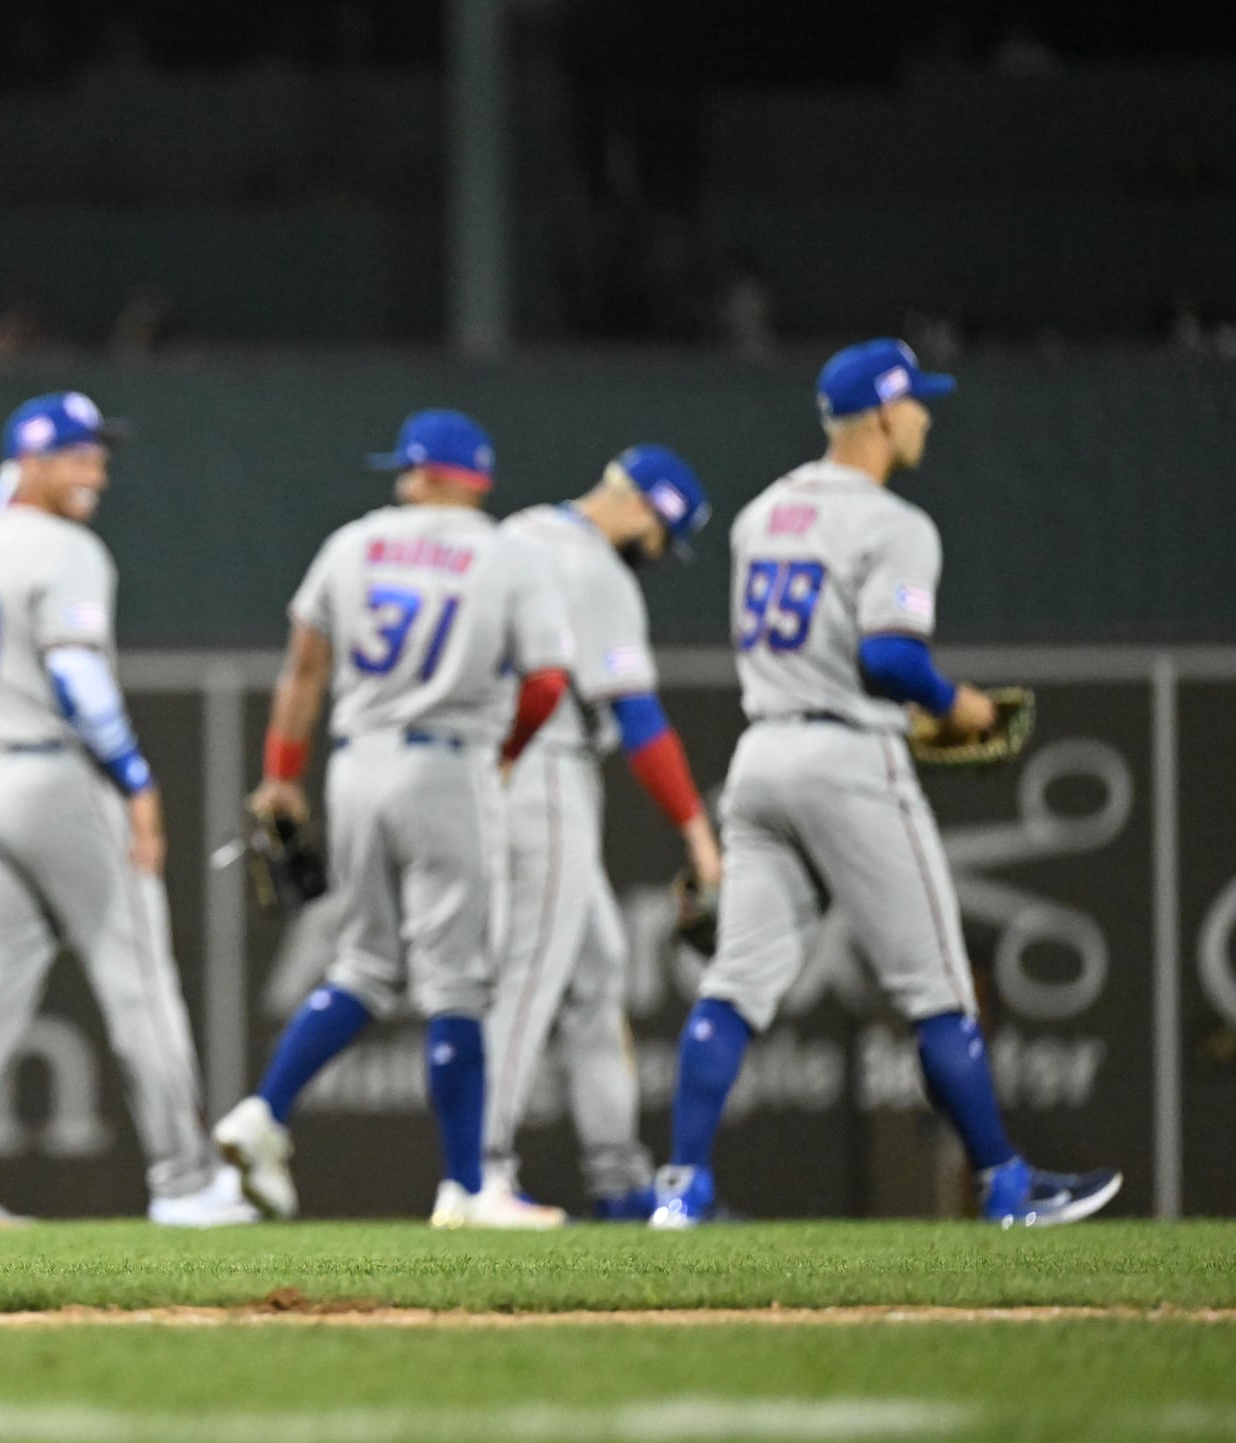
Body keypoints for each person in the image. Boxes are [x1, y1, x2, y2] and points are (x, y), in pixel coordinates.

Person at [650, 340, 1120, 1229]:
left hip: (760, 756)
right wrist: (957, 705)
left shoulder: (762, 515)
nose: (926, 417)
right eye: (916, 404)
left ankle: (682, 1187)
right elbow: (888, 654)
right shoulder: (895, 523)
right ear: (881, 414)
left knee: (735, 985)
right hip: (848, 759)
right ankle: (1009, 1187)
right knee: (937, 987)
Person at [212, 410, 573, 1227]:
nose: (401, 481)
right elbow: (549, 682)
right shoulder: (510, 555)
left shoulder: (353, 544)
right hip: (448, 762)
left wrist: (280, 778)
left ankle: (263, 1112)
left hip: (357, 762)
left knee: (364, 964)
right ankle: (463, 1189)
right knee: (456, 983)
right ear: (477, 478)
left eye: (409, 469)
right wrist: (509, 750)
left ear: (430, 473)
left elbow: (304, 667)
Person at [0, 392, 255, 1227]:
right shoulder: (65, 547)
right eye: (76, 451)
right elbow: (78, 674)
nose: (97, 465)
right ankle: (185, 1180)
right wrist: (135, 778)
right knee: (137, 977)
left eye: (99, 450)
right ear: (31, 461)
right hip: (55, 776)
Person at [478, 447, 721, 1221]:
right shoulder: (597, 571)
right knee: (528, 979)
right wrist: (699, 837)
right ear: (648, 510)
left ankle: (619, 1180)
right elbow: (640, 720)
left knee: (597, 968)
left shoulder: (513, 532)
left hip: (496, 758)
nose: (651, 557)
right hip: (542, 767)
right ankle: (479, 1171)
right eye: (657, 539)